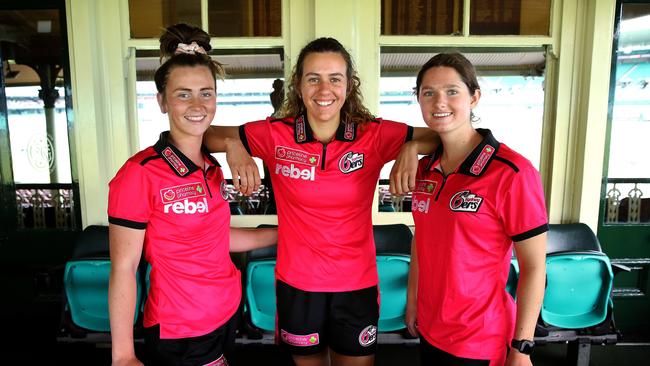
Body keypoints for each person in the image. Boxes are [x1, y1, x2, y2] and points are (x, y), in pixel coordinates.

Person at [204, 37, 438, 366]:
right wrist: (233, 145)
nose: (324, 89)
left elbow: (441, 135)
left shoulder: (372, 134)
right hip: (298, 285)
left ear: (348, 86)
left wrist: (411, 147)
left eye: (335, 79)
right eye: (313, 78)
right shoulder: (275, 134)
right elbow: (205, 133)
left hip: (357, 284)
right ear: (299, 85)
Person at [107, 23, 277, 366]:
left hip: (226, 311)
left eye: (206, 92)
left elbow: (214, 239)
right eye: (183, 93)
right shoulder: (139, 173)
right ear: (162, 101)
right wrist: (123, 354)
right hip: (181, 327)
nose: (197, 104)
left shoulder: (210, 168)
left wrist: (283, 234)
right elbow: (123, 267)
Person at [403, 53, 547, 366]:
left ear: (475, 97)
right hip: (430, 328)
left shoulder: (512, 172)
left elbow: (535, 267)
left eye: (452, 91)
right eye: (428, 93)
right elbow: (422, 240)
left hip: (479, 338)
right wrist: (412, 299)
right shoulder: (425, 170)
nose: (439, 102)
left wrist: (522, 348)